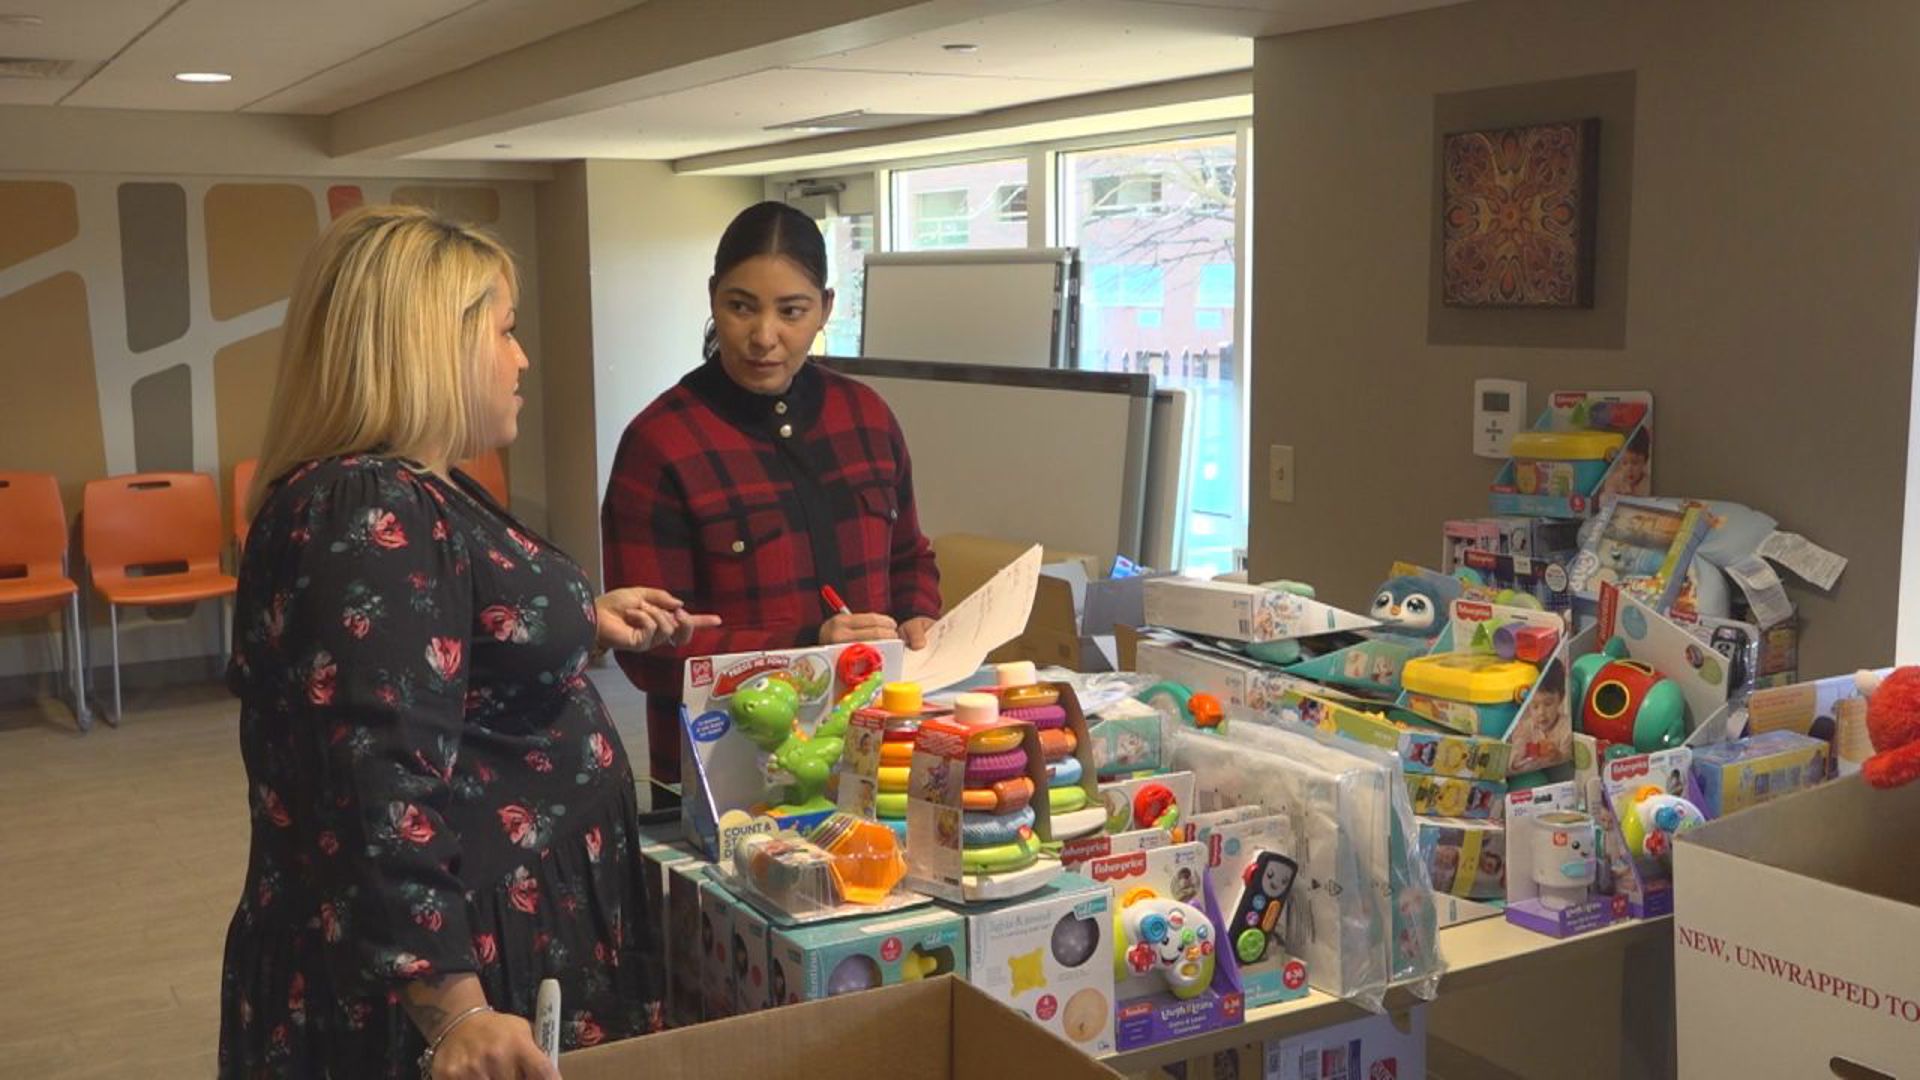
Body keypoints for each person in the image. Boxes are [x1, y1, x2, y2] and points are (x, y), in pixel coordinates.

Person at [220, 205, 718, 1079]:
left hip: (504, 921)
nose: (523, 358)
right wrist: (453, 1007)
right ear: (430, 344)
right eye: (506, 330)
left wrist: (573, 622)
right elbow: (373, 769)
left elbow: (443, 644)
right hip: (460, 958)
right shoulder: (368, 506)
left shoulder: (416, 488)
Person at [602, 201, 941, 787]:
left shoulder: (866, 417)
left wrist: (918, 616)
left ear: (825, 309)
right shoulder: (660, 443)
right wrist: (807, 648)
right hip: (724, 769)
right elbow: (649, 651)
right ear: (712, 298)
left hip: (874, 754)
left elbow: (908, 556)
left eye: (792, 311)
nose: (764, 337)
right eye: (741, 307)